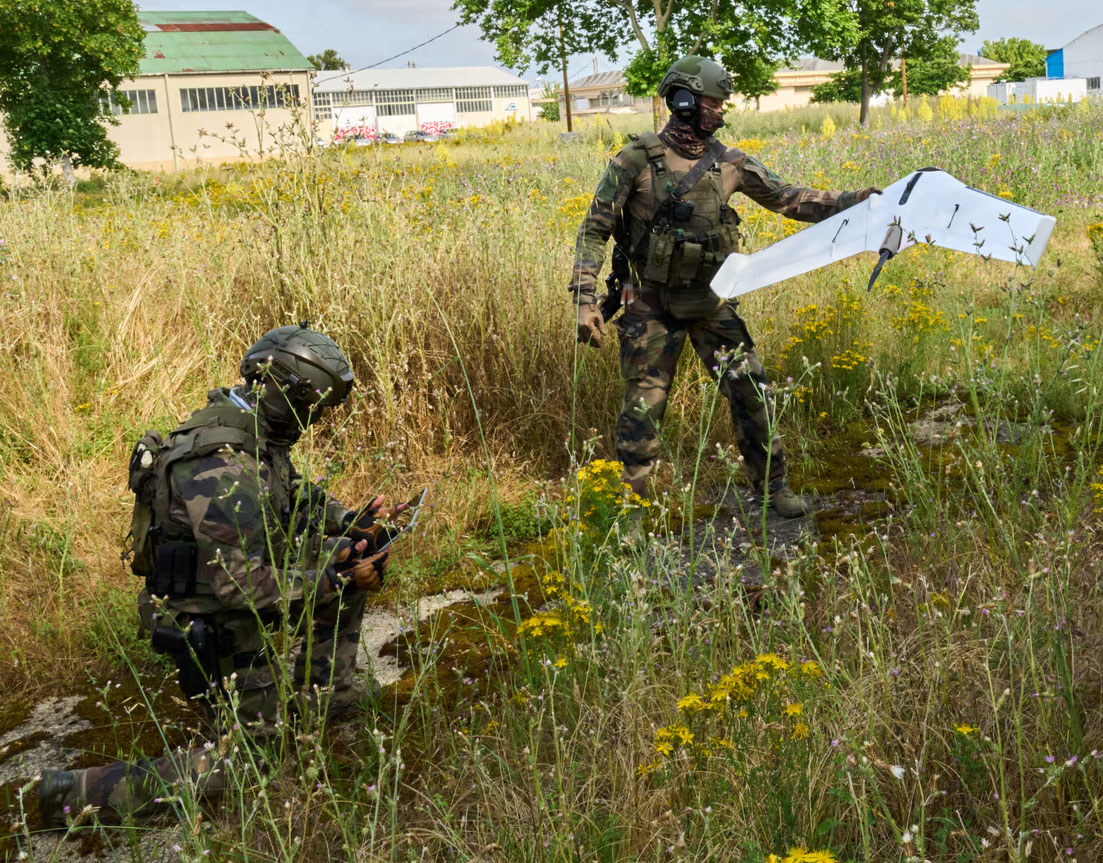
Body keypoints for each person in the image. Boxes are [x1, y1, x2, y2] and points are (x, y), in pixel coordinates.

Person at [38, 324, 396, 825]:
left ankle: (324, 696)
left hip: (229, 594)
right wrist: (336, 580)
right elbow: (241, 586)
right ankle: (67, 794)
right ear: (280, 388)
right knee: (253, 763)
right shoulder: (219, 460)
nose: (312, 420)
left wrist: (347, 523)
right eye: (310, 406)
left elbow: (292, 496)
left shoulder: (256, 435)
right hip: (208, 621)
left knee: (346, 551)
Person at [571, 56, 879, 517]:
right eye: (713, 102)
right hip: (649, 309)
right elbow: (593, 230)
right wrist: (583, 300)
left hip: (712, 305)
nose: (721, 111)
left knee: (752, 395)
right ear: (683, 100)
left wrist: (858, 201)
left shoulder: (730, 163)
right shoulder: (635, 160)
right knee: (642, 412)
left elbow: (790, 198)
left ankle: (772, 489)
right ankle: (632, 511)